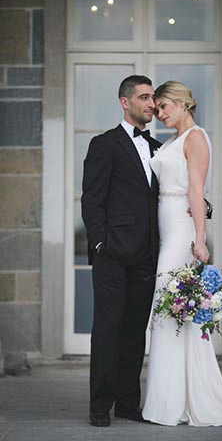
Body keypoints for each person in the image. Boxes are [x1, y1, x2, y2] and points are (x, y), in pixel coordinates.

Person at [142, 81, 222, 426]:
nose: (159, 113)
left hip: (181, 233)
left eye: (164, 106)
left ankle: (173, 402)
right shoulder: (174, 139)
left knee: (168, 311)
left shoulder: (195, 137)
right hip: (166, 229)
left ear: (182, 103)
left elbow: (196, 190)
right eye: (157, 107)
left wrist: (200, 238)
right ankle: (169, 398)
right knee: (170, 312)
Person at [81, 75, 161, 427]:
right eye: (144, 97)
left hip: (146, 256)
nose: (152, 104)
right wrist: (100, 245)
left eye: (154, 97)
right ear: (124, 102)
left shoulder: (158, 148)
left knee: (134, 332)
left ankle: (129, 404)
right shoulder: (104, 144)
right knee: (108, 331)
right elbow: (92, 200)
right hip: (112, 254)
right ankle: (100, 406)